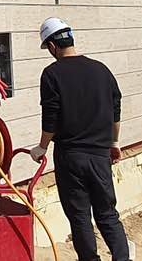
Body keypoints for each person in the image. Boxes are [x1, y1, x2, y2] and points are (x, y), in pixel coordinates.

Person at [28, 17, 133, 261]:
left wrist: (41, 147)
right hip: (100, 155)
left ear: (52, 46)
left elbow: (51, 116)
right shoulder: (101, 70)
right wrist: (114, 143)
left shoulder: (52, 74)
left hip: (71, 157)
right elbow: (116, 110)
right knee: (108, 214)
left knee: (80, 216)